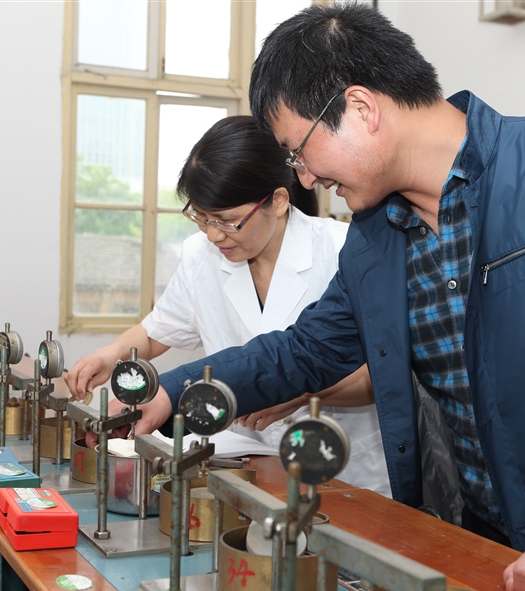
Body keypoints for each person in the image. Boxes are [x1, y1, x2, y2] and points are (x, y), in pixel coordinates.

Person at [124, 5, 525, 591]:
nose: (305, 178)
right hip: (481, 547)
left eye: (299, 151)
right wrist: (174, 390)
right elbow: (304, 351)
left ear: (361, 108)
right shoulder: (375, 242)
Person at [64, 115, 392, 497]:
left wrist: (302, 393)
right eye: (201, 217)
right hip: (244, 457)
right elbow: (157, 332)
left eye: (228, 221)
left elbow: (383, 373)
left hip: (344, 468)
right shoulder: (200, 255)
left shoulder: (343, 249)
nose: (213, 235)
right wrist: (109, 356)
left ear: (278, 201)